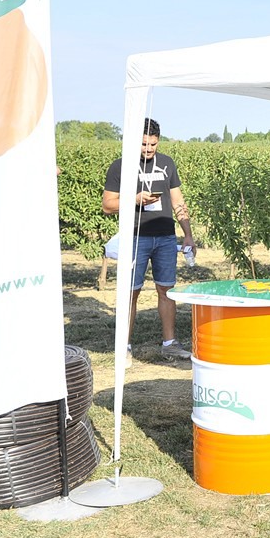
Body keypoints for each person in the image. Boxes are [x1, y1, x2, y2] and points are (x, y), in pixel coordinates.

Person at [102, 117, 196, 361]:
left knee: (167, 290)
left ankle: (170, 343)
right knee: (130, 293)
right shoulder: (120, 167)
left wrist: (187, 234)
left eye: (153, 144)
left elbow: (178, 201)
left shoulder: (167, 164)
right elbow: (107, 205)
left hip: (165, 237)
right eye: (144, 144)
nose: (149, 149)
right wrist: (134, 199)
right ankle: (124, 347)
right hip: (135, 238)